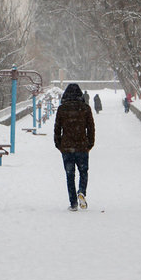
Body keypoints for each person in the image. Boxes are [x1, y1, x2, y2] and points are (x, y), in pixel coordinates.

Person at [54, 83, 95, 211]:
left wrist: (59, 144)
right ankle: (82, 191)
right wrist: (90, 144)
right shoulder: (85, 108)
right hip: (82, 146)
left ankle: (73, 203)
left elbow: (57, 129)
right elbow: (91, 128)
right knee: (83, 172)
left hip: (67, 147)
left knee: (69, 175)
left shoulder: (62, 109)